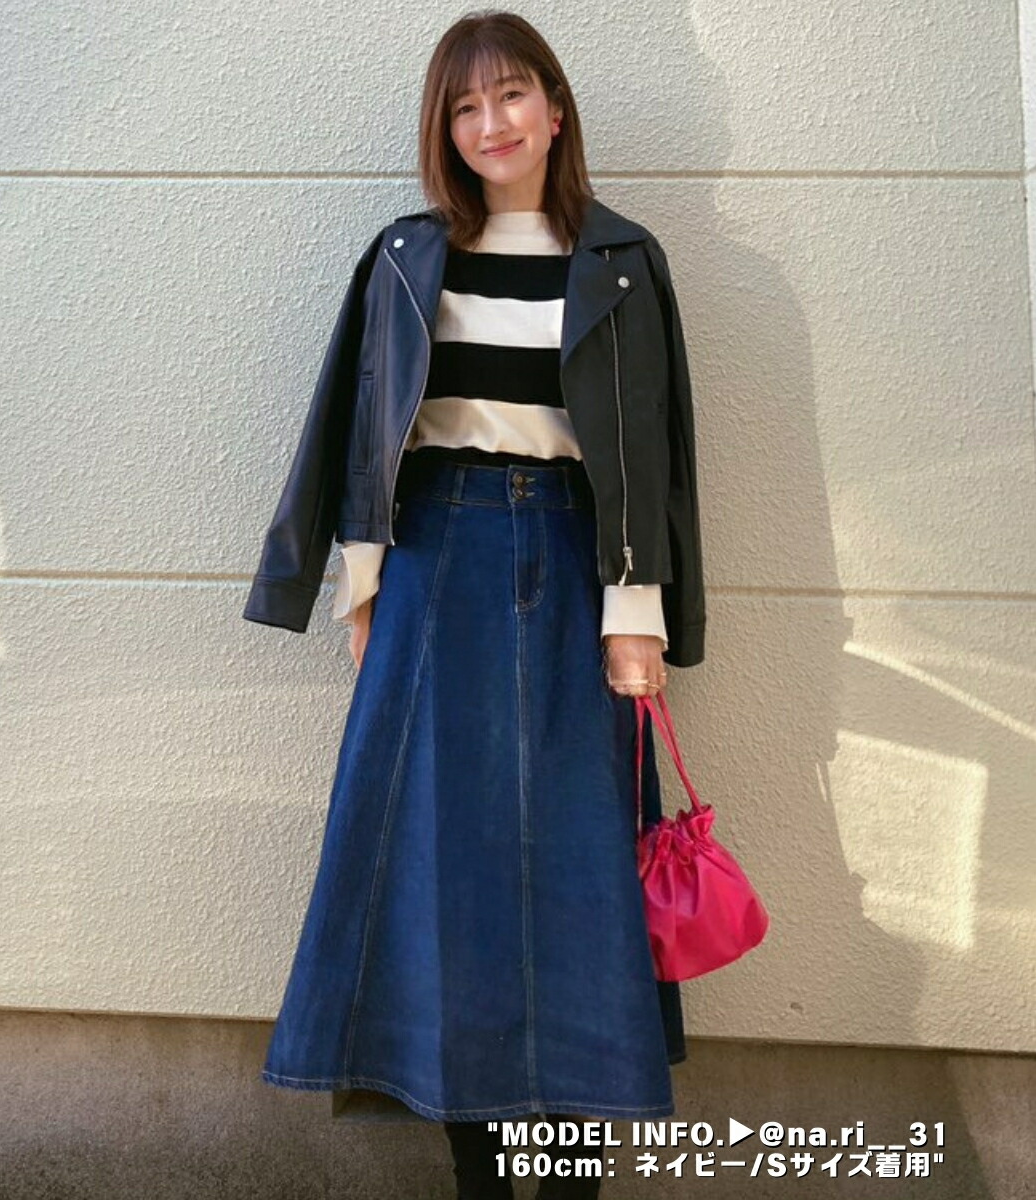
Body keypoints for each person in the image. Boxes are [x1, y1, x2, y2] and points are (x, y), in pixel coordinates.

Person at [243, 10, 706, 1197]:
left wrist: (637, 612)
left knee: (583, 881)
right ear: (444, 131)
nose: (490, 123)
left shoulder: (621, 259)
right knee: (441, 879)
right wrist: (360, 591)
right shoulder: (407, 256)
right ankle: (482, 1177)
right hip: (435, 566)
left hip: (574, 566)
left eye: (509, 95)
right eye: (463, 106)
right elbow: (359, 428)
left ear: (554, 108)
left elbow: (648, 453)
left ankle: (571, 1180)